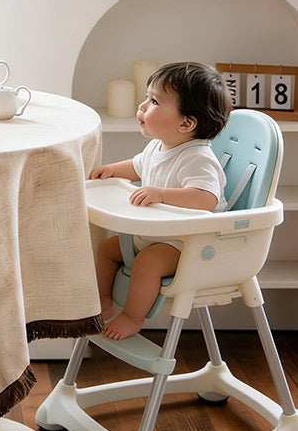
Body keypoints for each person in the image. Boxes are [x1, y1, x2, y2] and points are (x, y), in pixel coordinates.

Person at [89, 62, 232, 340]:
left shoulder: (198, 158)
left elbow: (205, 198)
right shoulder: (158, 145)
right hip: (155, 233)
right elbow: (139, 166)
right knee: (107, 249)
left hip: (186, 243)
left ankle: (132, 317)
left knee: (147, 264)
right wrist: (113, 171)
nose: (142, 107)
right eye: (146, 97)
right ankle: (103, 302)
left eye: (154, 101)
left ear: (186, 122)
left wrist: (161, 194)